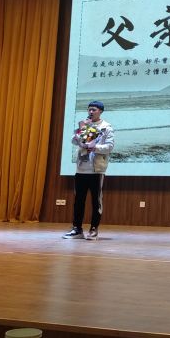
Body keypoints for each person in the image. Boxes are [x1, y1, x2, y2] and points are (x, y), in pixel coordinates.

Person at [63, 100, 114, 241]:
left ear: (100, 111)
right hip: (81, 169)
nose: (91, 112)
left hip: (96, 170)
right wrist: (82, 130)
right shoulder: (85, 124)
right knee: (78, 201)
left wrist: (95, 148)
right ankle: (77, 229)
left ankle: (93, 229)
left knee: (96, 201)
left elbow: (110, 147)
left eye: (94, 110)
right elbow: (74, 141)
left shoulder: (106, 127)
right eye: (89, 109)